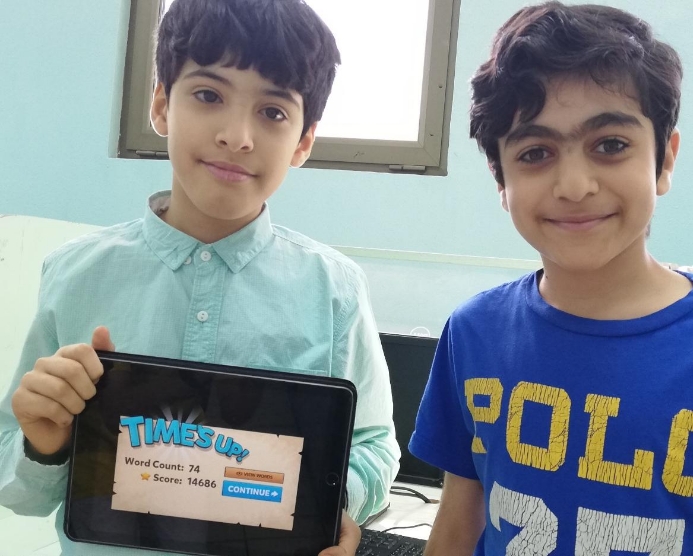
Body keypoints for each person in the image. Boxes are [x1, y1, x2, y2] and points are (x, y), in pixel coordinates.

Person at [0, 0, 399, 554]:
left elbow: (375, 445)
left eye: (273, 112)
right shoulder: (74, 273)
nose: (237, 136)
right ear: (162, 105)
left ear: (304, 141)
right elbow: (21, 486)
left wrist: (326, 504)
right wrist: (45, 445)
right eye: (209, 95)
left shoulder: (335, 291)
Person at [409, 3, 693, 554]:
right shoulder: (473, 331)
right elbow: (458, 520)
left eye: (611, 145)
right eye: (535, 153)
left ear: (665, 160)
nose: (574, 185)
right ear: (501, 182)